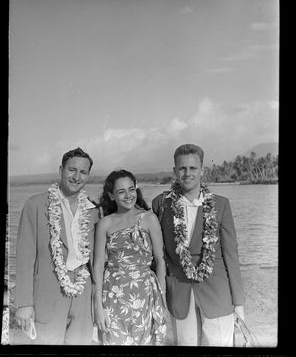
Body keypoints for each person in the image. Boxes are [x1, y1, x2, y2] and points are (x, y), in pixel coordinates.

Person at [152, 144, 245, 346]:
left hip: (217, 293)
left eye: (193, 168)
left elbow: (231, 255)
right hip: (179, 292)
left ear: (202, 170)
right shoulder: (161, 204)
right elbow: (157, 254)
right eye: (182, 168)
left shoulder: (221, 204)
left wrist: (239, 303)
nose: (187, 173)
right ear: (175, 171)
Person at [14, 147, 99, 344]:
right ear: (61, 169)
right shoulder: (35, 205)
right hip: (47, 295)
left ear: (88, 175)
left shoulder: (93, 211)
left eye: (83, 172)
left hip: (83, 297)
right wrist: (24, 304)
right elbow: (25, 258)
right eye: (72, 170)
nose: (77, 177)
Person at [93, 169, 167, 345]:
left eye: (131, 189)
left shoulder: (149, 218)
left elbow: (160, 260)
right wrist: (97, 305)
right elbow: (97, 265)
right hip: (112, 295)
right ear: (111, 196)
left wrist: (162, 298)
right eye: (121, 191)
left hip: (145, 294)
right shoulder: (105, 223)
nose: (128, 195)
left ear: (136, 189)